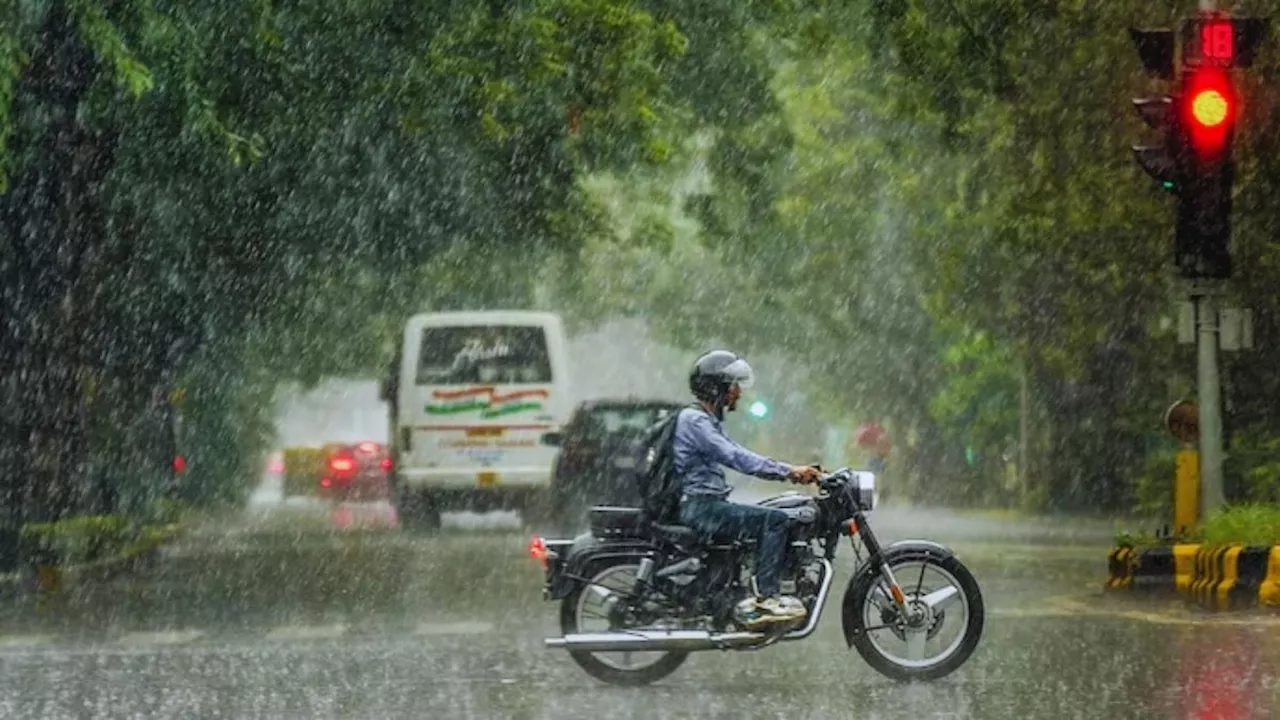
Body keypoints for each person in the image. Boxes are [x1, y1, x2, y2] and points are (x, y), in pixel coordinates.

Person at [672, 350, 823, 628]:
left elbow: (735, 452)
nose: (738, 393)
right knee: (774, 520)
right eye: (733, 386)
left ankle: (742, 591)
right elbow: (734, 456)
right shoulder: (695, 421)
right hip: (700, 507)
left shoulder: (706, 420)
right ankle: (766, 599)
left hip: (705, 503)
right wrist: (788, 471)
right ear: (716, 387)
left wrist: (790, 471)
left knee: (768, 513)